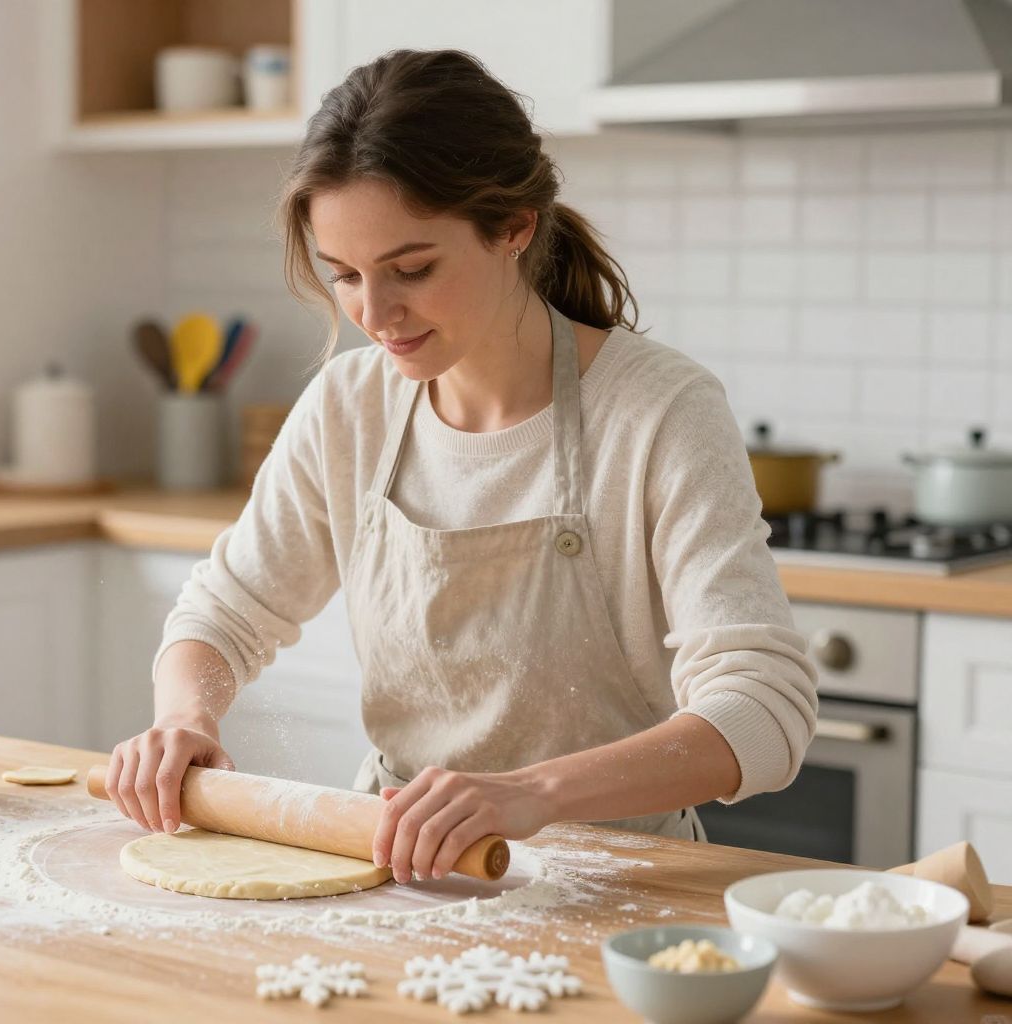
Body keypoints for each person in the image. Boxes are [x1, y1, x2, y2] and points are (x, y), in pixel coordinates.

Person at [105, 49, 818, 886]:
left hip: (624, 882)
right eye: (345, 276)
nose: (376, 314)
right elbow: (224, 613)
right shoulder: (349, 406)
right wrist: (184, 717)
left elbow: (765, 710)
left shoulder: (660, 411)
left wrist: (531, 794)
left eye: (412, 270)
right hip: (398, 877)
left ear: (514, 226)